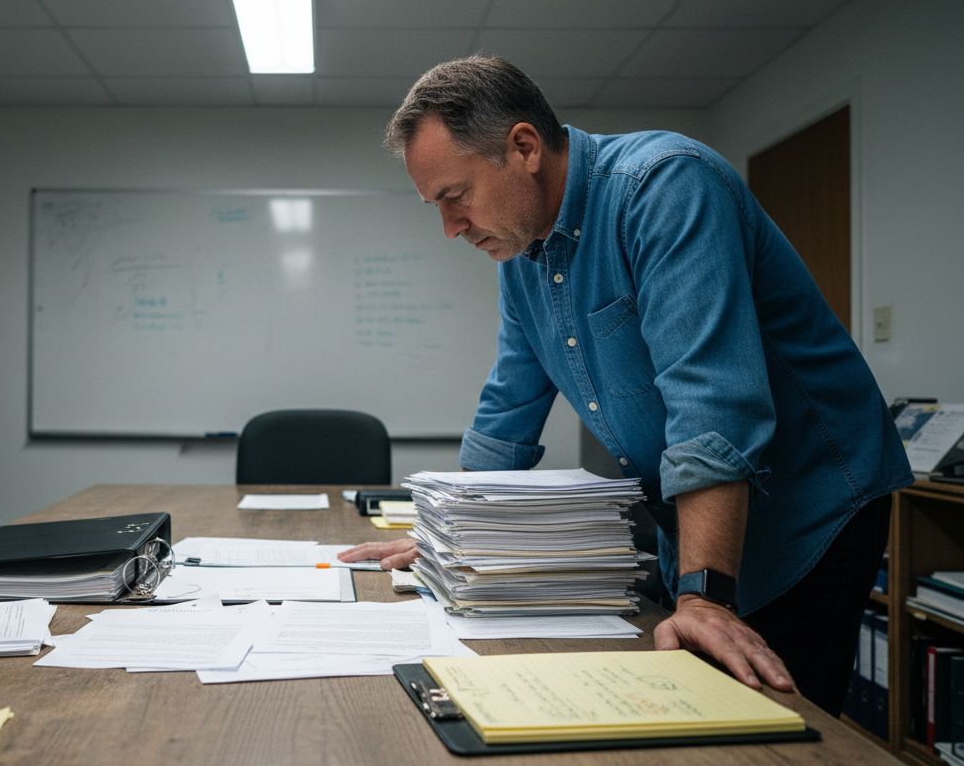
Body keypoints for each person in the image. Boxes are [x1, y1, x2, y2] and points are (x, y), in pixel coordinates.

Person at [338, 55, 912, 716]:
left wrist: (703, 595)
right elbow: (508, 407)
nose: (450, 228)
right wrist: (448, 536)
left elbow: (711, 403)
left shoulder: (665, 187)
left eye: (455, 196)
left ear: (523, 147)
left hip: (810, 508)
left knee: (774, 725)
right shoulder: (524, 252)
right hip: (700, 519)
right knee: (695, 708)